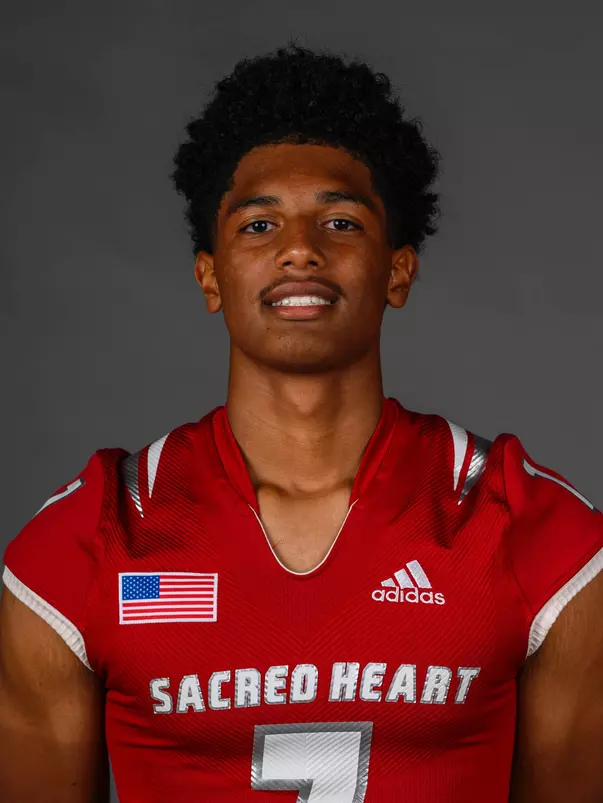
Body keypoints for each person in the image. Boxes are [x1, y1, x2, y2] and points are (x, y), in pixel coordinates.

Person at [1, 43, 602, 803]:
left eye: (341, 221)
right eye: (257, 226)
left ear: (397, 269)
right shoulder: (84, 545)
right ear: (209, 274)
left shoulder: (536, 534)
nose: (298, 250)